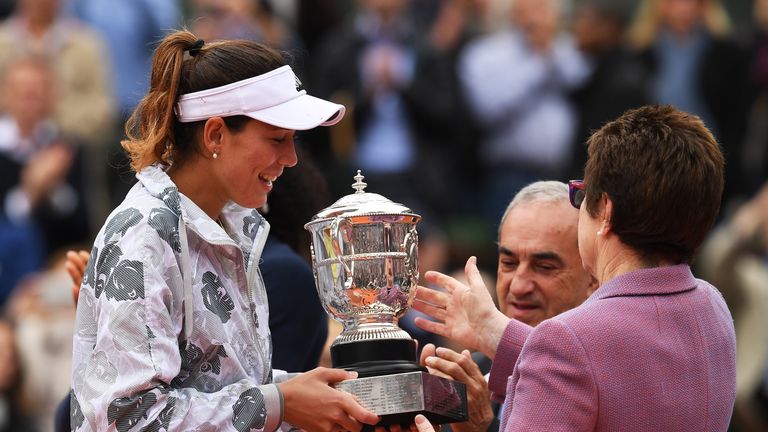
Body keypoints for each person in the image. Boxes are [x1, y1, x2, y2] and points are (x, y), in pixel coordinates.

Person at [70, 30, 379, 431]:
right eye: (276, 139)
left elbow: (224, 386)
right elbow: (129, 417)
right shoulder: (145, 236)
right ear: (215, 134)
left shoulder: (232, 225)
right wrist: (280, 403)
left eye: (293, 140)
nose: (290, 158)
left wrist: (304, 394)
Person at [413, 105, 736, 431]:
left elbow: (581, 354)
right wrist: (497, 332)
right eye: (509, 262)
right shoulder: (713, 306)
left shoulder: (567, 341)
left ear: (605, 212)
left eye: (581, 196)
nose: (521, 283)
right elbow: (605, 365)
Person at [419, 181, 597, 432]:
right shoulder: (465, 382)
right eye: (509, 263)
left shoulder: (602, 377)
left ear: (593, 277)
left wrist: (485, 428)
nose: (518, 286)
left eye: (545, 267)